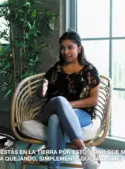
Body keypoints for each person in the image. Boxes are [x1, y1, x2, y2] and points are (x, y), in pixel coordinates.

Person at [35, 31, 100, 169]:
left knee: (55, 119)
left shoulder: (90, 71)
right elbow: (40, 92)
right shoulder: (56, 69)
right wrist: (43, 85)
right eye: (63, 48)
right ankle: (83, 152)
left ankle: (53, 166)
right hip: (50, 109)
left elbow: (94, 100)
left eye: (70, 47)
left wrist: (69, 105)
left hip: (81, 114)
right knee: (59, 101)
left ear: (79, 49)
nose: (65, 51)